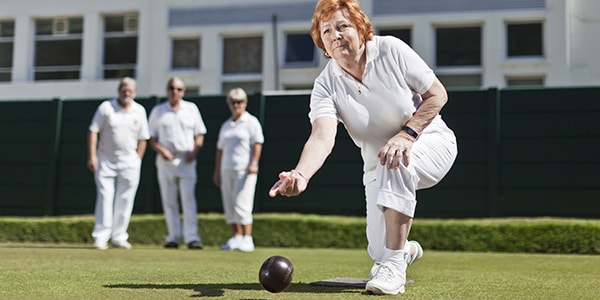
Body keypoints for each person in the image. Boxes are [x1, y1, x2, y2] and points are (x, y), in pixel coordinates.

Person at [268, 0, 458, 295]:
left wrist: (407, 134)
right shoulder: (325, 85)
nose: (336, 35)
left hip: (431, 142)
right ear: (323, 44)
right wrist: (301, 175)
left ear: (360, 28)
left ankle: (395, 267)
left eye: (343, 26)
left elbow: (437, 95)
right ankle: (400, 252)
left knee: (395, 161)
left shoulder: (391, 50)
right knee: (378, 251)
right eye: (327, 31)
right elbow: (322, 135)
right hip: (378, 164)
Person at [87, 77, 150, 250]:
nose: (126, 92)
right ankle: (101, 237)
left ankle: (119, 236)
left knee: (126, 199)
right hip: (106, 160)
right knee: (105, 197)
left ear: (134, 92)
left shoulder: (139, 111)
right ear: (118, 90)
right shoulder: (106, 107)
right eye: (124, 89)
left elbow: (143, 137)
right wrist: (92, 156)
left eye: (130, 90)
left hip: (130, 161)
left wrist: (138, 159)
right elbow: (93, 131)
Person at [148, 77, 207, 250]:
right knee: (169, 200)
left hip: (187, 160)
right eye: (172, 88)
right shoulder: (158, 111)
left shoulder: (191, 109)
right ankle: (173, 237)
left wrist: (194, 152)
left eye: (179, 89)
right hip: (166, 161)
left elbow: (200, 134)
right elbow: (151, 138)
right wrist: (161, 150)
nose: (175, 92)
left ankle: (192, 238)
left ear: (183, 92)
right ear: (167, 90)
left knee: (188, 199)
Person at [212, 88, 264, 252]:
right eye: (233, 102)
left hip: (245, 171)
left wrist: (254, 163)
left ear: (245, 103)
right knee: (230, 205)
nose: (236, 105)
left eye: (239, 101)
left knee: (243, 204)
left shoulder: (251, 122)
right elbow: (220, 149)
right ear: (229, 104)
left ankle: (248, 239)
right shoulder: (226, 125)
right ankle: (236, 237)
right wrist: (217, 171)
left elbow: (257, 143)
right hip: (226, 170)